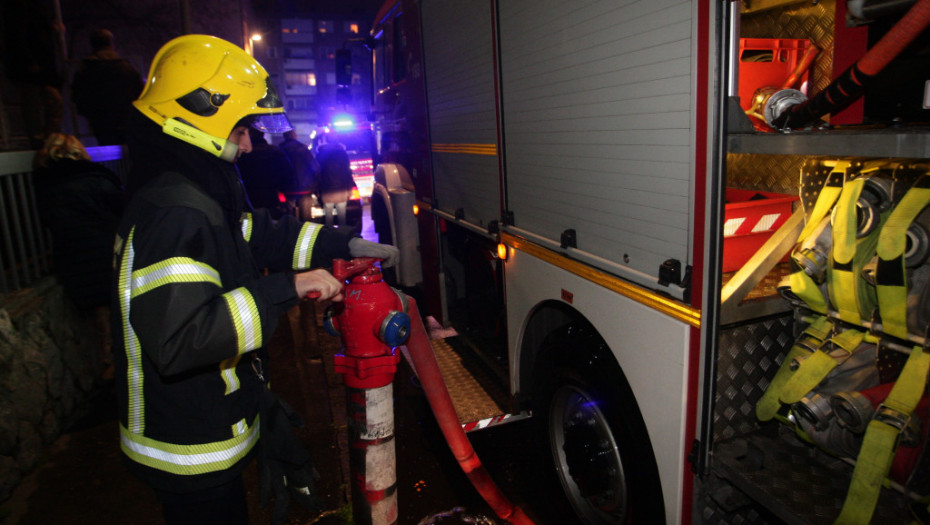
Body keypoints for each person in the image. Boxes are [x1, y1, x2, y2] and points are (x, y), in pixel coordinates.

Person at [112, 34, 398, 525]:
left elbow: (253, 236)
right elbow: (183, 339)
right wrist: (288, 287)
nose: (247, 142)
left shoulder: (191, 187)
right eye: (240, 127)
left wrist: (337, 244)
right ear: (201, 114)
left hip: (203, 418)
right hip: (186, 446)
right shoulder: (175, 211)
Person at [33, 132, 123, 377]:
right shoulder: (96, 177)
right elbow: (121, 206)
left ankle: (104, 363)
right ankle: (118, 363)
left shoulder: (44, 185)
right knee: (115, 308)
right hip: (105, 250)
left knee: (95, 313)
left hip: (73, 256)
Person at [1, 0, 64, 149]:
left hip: (39, 65)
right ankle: (41, 142)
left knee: (49, 103)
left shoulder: (34, 7)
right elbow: (16, 32)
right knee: (35, 106)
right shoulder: (20, 7)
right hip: (32, 66)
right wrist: (28, 60)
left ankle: (48, 140)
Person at [71, 29, 145, 146]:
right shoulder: (126, 67)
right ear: (111, 43)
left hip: (100, 121)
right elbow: (140, 93)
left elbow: (77, 95)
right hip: (125, 120)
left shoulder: (86, 68)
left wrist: (89, 113)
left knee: (107, 153)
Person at [237, 127, 295, 219]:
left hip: (249, 203)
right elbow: (288, 176)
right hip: (272, 201)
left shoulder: (242, 155)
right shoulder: (274, 152)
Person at [279, 129, 319, 220]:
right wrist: (314, 185)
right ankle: (306, 233)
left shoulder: (280, 150)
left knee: (290, 217)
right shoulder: (303, 149)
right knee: (306, 219)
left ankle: (293, 233)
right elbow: (314, 167)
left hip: (287, 189)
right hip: (305, 188)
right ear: (295, 136)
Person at [315, 142, 356, 228]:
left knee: (328, 217)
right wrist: (349, 190)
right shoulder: (342, 156)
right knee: (342, 217)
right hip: (341, 191)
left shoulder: (320, 157)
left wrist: (317, 191)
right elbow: (347, 174)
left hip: (327, 192)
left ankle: (330, 237)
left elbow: (317, 175)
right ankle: (342, 236)